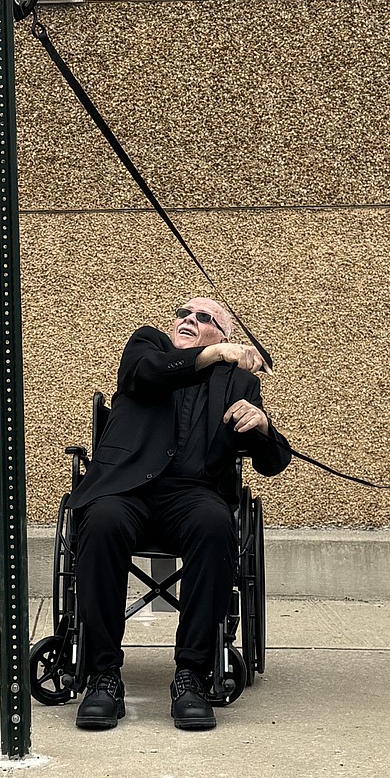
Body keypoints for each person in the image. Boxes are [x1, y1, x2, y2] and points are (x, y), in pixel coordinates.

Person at [67, 296, 291, 731]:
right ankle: (103, 677)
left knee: (215, 524)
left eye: (203, 318)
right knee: (102, 521)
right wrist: (217, 354)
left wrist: (261, 424)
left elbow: (273, 462)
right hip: (125, 489)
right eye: (183, 313)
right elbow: (144, 376)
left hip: (192, 494)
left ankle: (191, 675)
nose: (188, 319)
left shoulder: (237, 383)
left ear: (223, 333)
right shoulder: (148, 348)